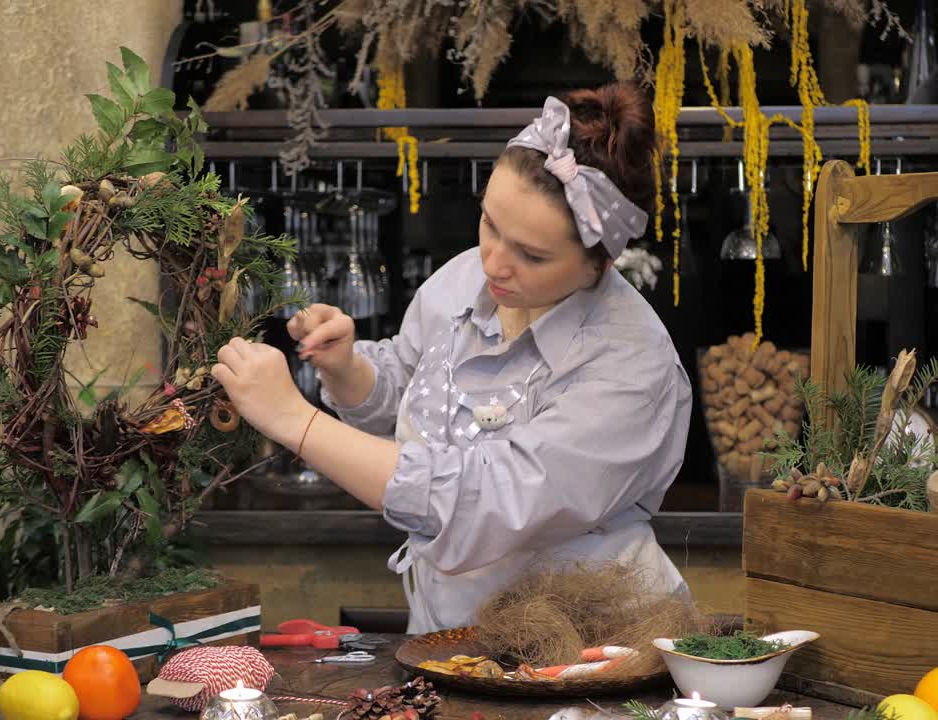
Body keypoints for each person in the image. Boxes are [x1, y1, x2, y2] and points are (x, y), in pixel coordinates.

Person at [212, 83, 693, 634]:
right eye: (489, 223)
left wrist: (295, 421)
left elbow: (483, 501)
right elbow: (409, 397)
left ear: (600, 266)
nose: (495, 262)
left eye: (532, 255)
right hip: (452, 642)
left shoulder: (632, 366)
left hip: (591, 650)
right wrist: (347, 369)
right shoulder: (466, 278)